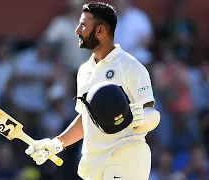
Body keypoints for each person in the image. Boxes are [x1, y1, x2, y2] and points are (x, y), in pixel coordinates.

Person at [25, 2, 160, 180]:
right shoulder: (84, 71)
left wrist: (141, 116)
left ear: (100, 30)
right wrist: (57, 143)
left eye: (83, 25)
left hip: (126, 159)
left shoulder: (131, 67)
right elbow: (87, 118)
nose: (77, 31)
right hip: (94, 164)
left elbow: (151, 112)